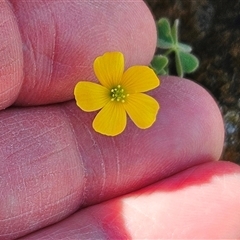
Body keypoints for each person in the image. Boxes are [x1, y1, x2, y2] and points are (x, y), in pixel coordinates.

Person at [1, 1, 240, 239]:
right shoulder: (108, 72)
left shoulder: (137, 98)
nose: (119, 93)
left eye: (120, 93)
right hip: (103, 92)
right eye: (118, 92)